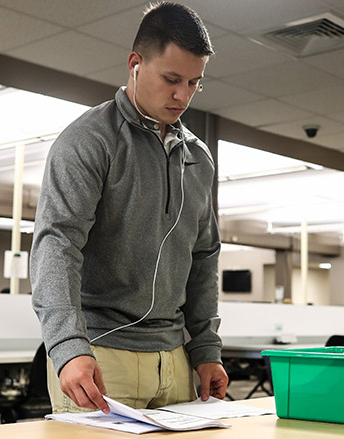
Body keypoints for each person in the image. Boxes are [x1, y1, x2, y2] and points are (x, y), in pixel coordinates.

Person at [30, 2, 227, 415]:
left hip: (175, 359)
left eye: (194, 83)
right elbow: (56, 245)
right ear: (136, 64)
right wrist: (67, 346)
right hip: (99, 356)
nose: (183, 96)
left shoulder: (198, 158)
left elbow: (203, 256)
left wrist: (206, 346)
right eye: (171, 79)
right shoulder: (89, 141)